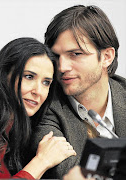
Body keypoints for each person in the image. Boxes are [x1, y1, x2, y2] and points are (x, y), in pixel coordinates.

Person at [30, 4, 126, 179]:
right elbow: (71, 173)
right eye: (56, 56)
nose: (62, 67)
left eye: (75, 54)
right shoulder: (44, 106)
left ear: (106, 57)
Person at [0, 37, 76, 179]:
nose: (38, 91)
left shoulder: (19, 131)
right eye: (29, 77)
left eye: (46, 82)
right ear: (4, 75)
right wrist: (42, 161)